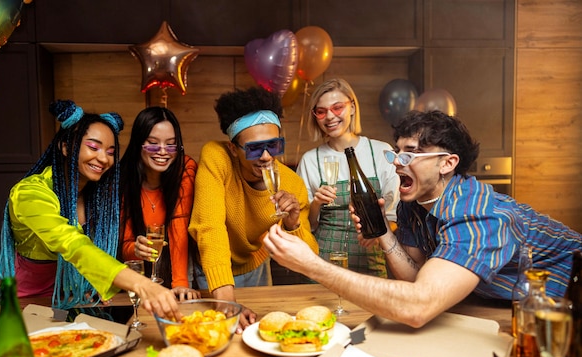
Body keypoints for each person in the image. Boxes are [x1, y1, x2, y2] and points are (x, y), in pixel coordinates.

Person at [264, 110, 582, 328]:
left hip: (568, 306)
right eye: (396, 154)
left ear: (447, 163)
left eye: (410, 155)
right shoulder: (414, 205)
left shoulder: (479, 215)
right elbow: (415, 279)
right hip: (519, 308)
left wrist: (311, 265)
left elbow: (417, 306)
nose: (397, 164)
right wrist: (384, 235)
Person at [0, 100, 181, 320]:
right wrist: (142, 284)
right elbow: (73, 245)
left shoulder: (97, 197)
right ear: (65, 146)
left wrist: (88, 285)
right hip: (25, 306)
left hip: (71, 306)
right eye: (93, 147)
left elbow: (97, 255)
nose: (103, 158)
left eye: (110, 152)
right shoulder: (29, 193)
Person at [188, 86, 319, 331]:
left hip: (257, 267)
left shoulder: (293, 184)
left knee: (258, 332)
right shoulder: (217, 157)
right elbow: (209, 227)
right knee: (220, 331)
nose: (267, 156)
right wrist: (226, 301)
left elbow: (309, 259)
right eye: (255, 148)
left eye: (274, 145)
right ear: (233, 150)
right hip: (213, 269)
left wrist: (293, 224)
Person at [297, 78, 399, 276]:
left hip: (370, 262)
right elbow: (306, 225)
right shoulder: (310, 160)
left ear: (352, 107)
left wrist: (379, 235)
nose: (330, 117)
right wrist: (317, 203)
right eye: (321, 111)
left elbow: (394, 215)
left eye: (337, 108)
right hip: (323, 264)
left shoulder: (380, 152)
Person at [118, 106, 200, 300]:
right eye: (153, 144)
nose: (163, 152)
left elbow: (179, 225)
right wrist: (135, 249)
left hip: (177, 265)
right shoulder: (123, 179)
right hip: (135, 274)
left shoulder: (185, 169)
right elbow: (125, 242)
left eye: (171, 145)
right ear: (138, 143)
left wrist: (180, 283)